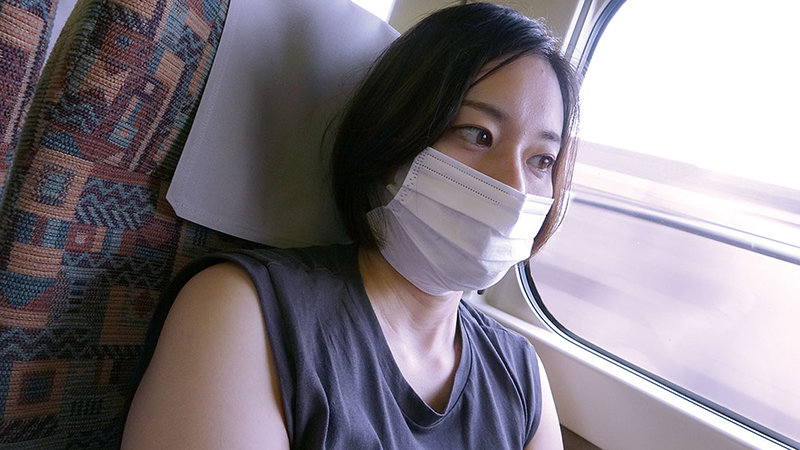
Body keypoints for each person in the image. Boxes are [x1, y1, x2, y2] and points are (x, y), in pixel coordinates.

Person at [122, 2, 579, 449]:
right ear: (395, 136)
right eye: (479, 134)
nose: (515, 186)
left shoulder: (522, 376)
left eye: (542, 160)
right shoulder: (245, 312)